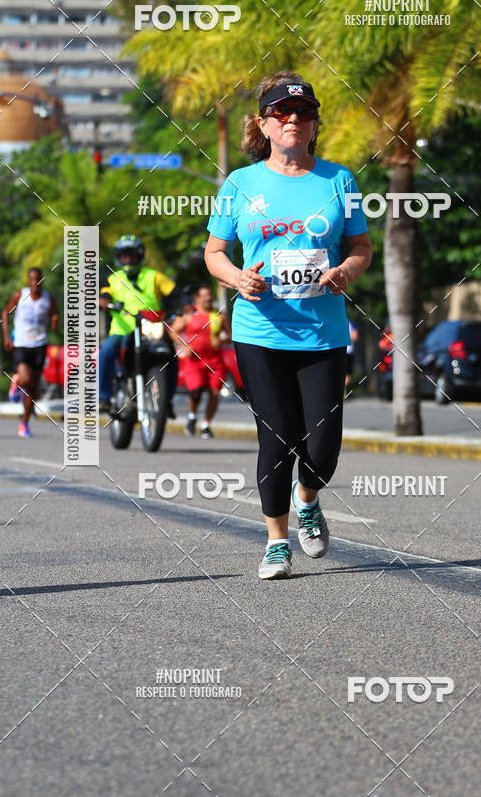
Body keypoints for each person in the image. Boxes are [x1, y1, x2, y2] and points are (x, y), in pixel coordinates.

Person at [205, 71, 372, 580]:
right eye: (282, 113)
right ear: (265, 124)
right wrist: (237, 278)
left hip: (323, 332)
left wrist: (345, 270)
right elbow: (215, 253)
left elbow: (361, 246)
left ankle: (308, 499)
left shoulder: (340, 180)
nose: (293, 120)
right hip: (260, 328)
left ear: (315, 124)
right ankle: (277, 541)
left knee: (322, 447)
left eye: (303, 113)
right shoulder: (240, 184)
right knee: (276, 439)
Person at [98, 235, 190, 414]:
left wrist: (186, 304)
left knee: (171, 356)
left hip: (150, 328)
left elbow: (174, 292)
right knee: (106, 350)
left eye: (131, 255)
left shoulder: (153, 276)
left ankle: (166, 400)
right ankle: (103, 397)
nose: (128, 259)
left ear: (139, 255)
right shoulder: (114, 279)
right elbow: (106, 294)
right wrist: (104, 301)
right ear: (118, 257)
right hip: (122, 329)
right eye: (124, 256)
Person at [1, 267, 59, 437]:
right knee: (26, 379)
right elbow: (5, 313)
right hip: (21, 343)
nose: (35, 283)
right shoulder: (21, 295)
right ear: (29, 281)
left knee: (33, 388)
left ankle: (24, 423)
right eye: (32, 279)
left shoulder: (49, 299)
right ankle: (17, 381)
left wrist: (55, 322)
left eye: (38, 280)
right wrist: (6, 337)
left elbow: (54, 317)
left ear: (42, 281)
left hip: (40, 344)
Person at [170, 284, 231, 438]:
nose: (208, 298)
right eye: (204, 295)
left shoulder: (219, 316)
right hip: (195, 361)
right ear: (197, 298)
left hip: (215, 361)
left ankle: (206, 425)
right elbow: (172, 330)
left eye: (209, 295)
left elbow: (230, 334)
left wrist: (222, 341)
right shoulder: (189, 315)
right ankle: (192, 416)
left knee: (215, 392)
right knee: (196, 392)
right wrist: (184, 345)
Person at [345, 319, 359, 391]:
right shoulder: (350, 323)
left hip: (348, 351)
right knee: (347, 374)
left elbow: (355, 336)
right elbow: (355, 336)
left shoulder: (350, 323)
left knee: (347, 374)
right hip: (347, 352)